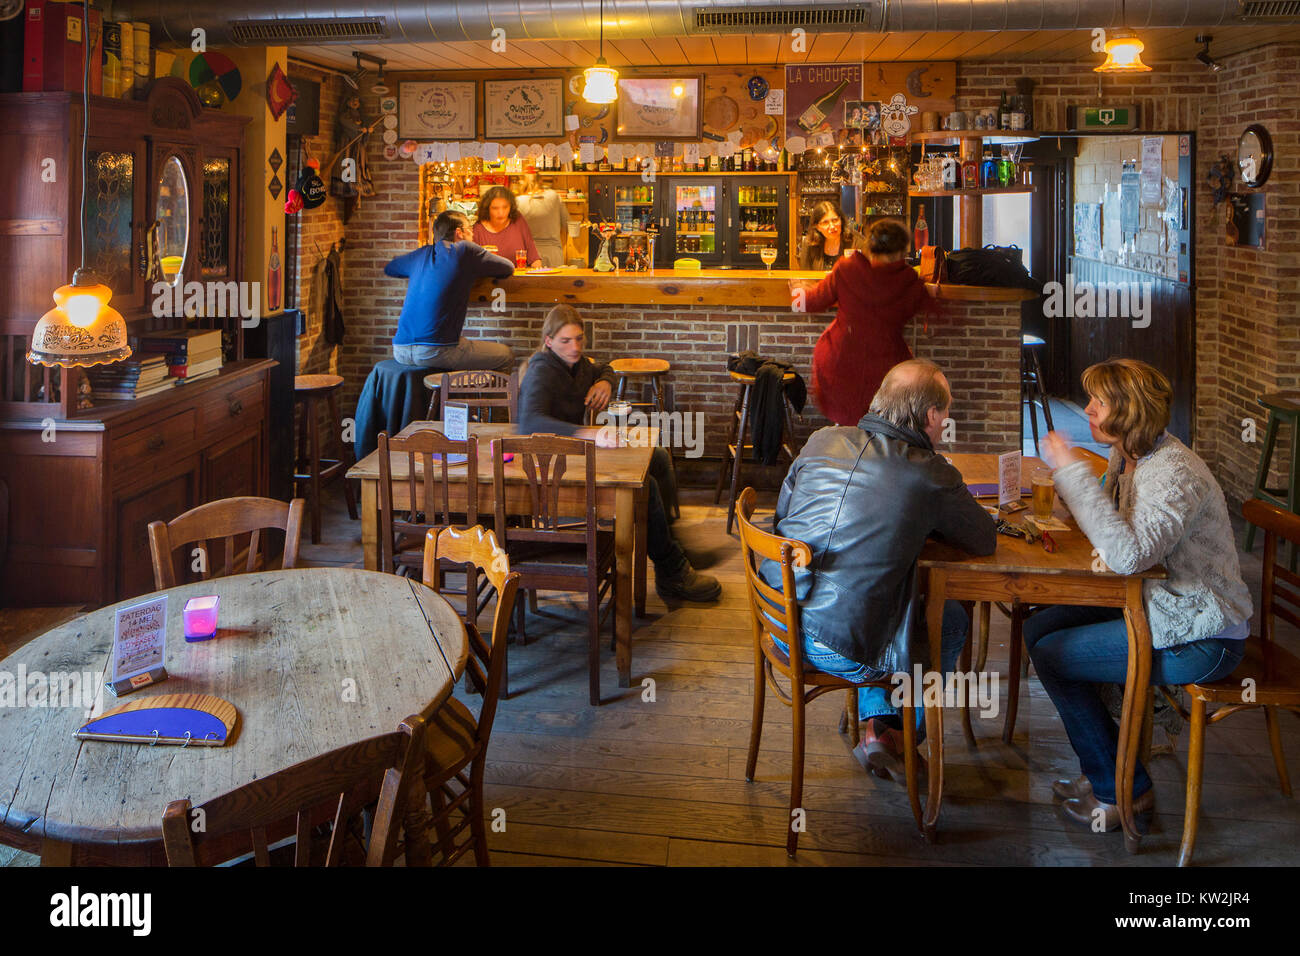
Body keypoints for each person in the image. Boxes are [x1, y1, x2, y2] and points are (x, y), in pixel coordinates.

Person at [1033, 358, 1251, 831]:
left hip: (1203, 634)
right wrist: (1070, 497)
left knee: (1052, 656)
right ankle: (1108, 769)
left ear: (1130, 412)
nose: (1087, 409)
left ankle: (1122, 790)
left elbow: (1128, 556)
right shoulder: (1130, 455)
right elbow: (1113, 534)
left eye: (1099, 402)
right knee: (1038, 626)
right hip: (1154, 605)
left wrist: (1072, 472)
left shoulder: (1173, 473)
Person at [765, 359, 996, 780]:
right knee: (951, 619)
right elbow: (983, 539)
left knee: (881, 595)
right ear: (930, 416)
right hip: (836, 646)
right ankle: (902, 734)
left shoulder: (821, 440)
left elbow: (781, 523)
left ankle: (877, 727)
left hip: (779, 618)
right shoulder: (930, 474)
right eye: (946, 413)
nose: (947, 423)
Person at [517, 305, 721, 603]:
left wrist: (604, 382)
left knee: (659, 457)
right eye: (565, 341)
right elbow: (530, 422)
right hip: (552, 467)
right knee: (645, 485)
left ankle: (672, 546)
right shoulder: (542, 369)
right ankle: (671, 571)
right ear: (548, 341)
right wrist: (590, 433)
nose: (574, 347)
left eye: (579, 339)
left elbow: (602, 368)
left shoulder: (575, 363)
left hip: (574, 455)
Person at [799, 218, 938, 427]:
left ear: (868, 245)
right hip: (886, 368)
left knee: (848, 427)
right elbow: (939, 314)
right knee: (884, 424)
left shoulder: (847, 269)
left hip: (840, 363)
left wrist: (796, 294)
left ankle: (848, 452)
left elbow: (812, 302)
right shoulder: (909, 280)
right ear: (902, 250)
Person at [384, 210, 515, 371]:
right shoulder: (465, 250)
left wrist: (420, 271)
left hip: (400, 349)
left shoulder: (421, 254)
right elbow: (508, 268)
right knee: (506, 355)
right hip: (436, 350)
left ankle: (446, 394)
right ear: (459, 232)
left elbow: (391, 268)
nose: (473, 234)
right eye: (470, 229)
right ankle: (470, 396)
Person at [473, 186, 542, 268]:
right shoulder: (478, 229)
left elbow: (534, 257)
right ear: (487, 209)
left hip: (517, 279)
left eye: (505, 207)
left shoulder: (518, 220)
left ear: (511, 207)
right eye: (495, 208)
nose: (501, 213)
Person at [515, 174, 570, 268]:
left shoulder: (518, 201)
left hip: (529, 256)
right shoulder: (553, 196)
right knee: (553, 282)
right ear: (540, 181)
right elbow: (567, 223)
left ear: (521, 183)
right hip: (554, 255)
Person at [797, 201, 862, 272]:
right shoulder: (809, 244)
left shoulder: (856, 241)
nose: (832, 226)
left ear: (841, 220)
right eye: (825, 222)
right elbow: (806, 276)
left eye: (835, 220)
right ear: (817, 226)